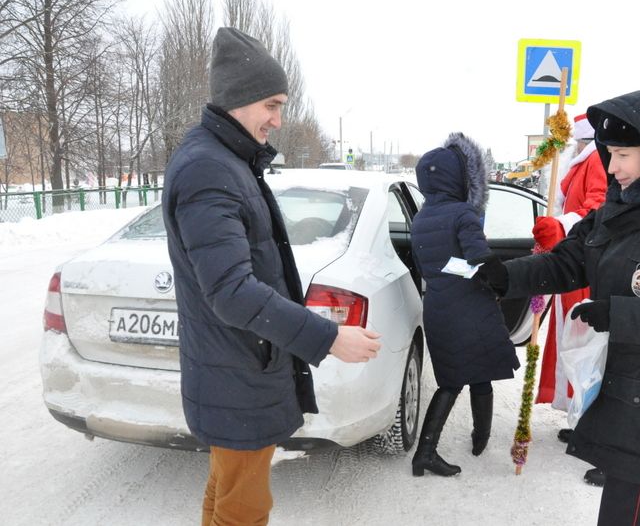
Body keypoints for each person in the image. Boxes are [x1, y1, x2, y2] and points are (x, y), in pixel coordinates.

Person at [473, 88, 640, 525]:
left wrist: (619, 315)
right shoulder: (618, 211)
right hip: (615, 381)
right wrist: (508, 276)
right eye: (610, 153)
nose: (611, 166)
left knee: (630, 500)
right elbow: (570, 260)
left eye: (622, 155)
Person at [162, 27, 381, 525]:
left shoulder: (225, 161)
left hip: (237, 370)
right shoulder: (209, 169)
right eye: (272, 105)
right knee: (245, 509)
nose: (278, 120)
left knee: (228, 492)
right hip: (237, 372)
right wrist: (327, 338)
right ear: (239, 98)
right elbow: (231, 291)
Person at [410, 132, 520, 477]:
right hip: (469, 309)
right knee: (477, 375)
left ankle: (440, 448)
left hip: (439, 306)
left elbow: (434, 263)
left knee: (453, 378)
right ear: (460, 178)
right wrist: (505, 281)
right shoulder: (463, 213)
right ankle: (466, 443)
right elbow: (480, 259)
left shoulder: (421, 217)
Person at [531, 112, 608, 486]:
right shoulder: (580, 161)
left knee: (586, 350)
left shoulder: (595, 160)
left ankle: (594, 430)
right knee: (575, 347)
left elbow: (597, 208)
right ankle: (583, 422)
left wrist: (563, 225)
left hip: (588, 271)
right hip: (575, 265)